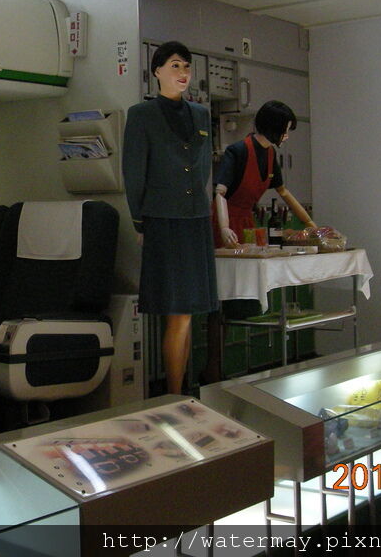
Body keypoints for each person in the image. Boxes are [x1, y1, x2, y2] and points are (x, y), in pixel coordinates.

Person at [122, 41, 218, 395]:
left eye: (187, 66)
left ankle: (181, 392)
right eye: (175, 65)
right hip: (162, 219)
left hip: (195, 219)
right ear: (157, 71)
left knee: (188, 312)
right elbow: (134, 172)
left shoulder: (201, 115)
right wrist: (140, 222)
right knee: (177, 311)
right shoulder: (141, 115)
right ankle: (175, 395)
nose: (183, 73)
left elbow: (204, 167)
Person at [200, 100, 315, 384]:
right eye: (286, 130)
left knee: (241, 297)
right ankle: (213, 369)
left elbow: (284, 192)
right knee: (223, 296)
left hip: (248, 224)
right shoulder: (237, 151)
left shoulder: (271, 155)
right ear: (274, 128)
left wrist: (311, 225)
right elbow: (220, 193)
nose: (287, 136)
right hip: (225, 224)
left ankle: (224, 369)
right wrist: (224, 227)